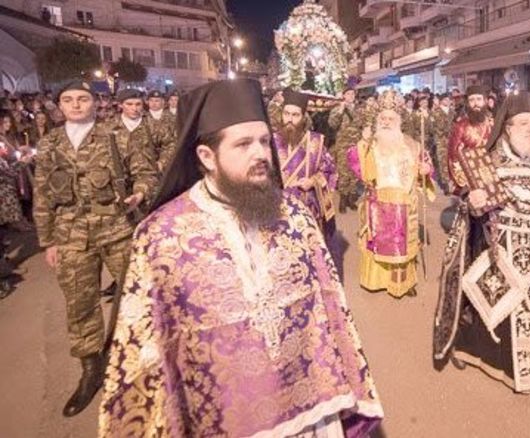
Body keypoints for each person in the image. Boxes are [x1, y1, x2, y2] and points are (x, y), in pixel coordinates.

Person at [99, 79, 383, 436]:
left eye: (264, 141)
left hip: (310, 408)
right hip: (219, 417)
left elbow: (332, 309)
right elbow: (142, 357)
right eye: (244, 144)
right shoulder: (161, 237)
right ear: (206, 156)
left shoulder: (295, 215)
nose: (262, 153)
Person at [33, 81, 157, 417]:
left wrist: (140, 193)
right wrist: (48, 241)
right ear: (58, 105)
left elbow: (146, 173)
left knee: (138, 295)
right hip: (71, 238)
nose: (75, 105)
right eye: (68, 100)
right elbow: (42, 196)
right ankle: (91, 372)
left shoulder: (116, 137)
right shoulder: (48, 144)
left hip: (117, 230)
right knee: (80, 305)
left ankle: (140, 357)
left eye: (82, 99)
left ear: (95, 103)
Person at [433, 91, 530, 393]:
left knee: (529, 308)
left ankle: (526, 364)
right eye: (523, 123)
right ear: (506, 129)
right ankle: (486, 356)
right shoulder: (489, 163)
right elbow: (470, 208)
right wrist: (472, 200)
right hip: (498, 251)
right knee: (494, 310)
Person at [349, 90, 435, 298]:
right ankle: (376, 281)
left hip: (403, 203)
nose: (386, 122)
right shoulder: (370, 144)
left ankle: (402, 284)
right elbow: (355, 163)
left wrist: (426, 170)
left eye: (391, 119)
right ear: (378, 121)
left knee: (402, 245)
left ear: (398, 121)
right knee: (377, 243)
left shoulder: (412, 145)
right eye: (383, 119)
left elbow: (426, 166)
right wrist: (363, 144)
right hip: (378, 203)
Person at [273, 89, 337, 236]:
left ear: (303, 117)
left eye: (295, 115)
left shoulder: (315, 141)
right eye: (286, 114)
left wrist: (313, 181)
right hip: (277, 209)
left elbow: (330, 171)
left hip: (307, 209)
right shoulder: (271, 141)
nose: (289, 119)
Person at [447, 85, 493, 195]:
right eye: (471, 100)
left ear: (485, 101)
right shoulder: (461, 126)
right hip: (469, 178)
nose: (475, 103)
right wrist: (464, 182)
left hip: (491, 177)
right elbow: (453, 156)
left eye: (478, 99)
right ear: (468, 103)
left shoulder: (493, 124)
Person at [328, 87, 362, 212]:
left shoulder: (358, 110)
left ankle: (350, 199)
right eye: (348, 93)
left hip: (355, 145)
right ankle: (343, 199)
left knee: (354, 173)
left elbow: (360, 123)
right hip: (342, 145)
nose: (351, 95)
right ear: (343, 95)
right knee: (343, 173)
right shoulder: (337, 109)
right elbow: (332, 124)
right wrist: (341, 111)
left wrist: (351, 110)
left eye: (352, 93)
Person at [431, 93, 456, 193]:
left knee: (451, 161)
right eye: (445, 99)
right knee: (442, 161)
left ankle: (451, 181)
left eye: (449, 99)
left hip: (452, 139)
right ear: (441, 101)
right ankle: (445, 183)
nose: (447, 101)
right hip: (441, 140)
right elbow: (434, 127)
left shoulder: (452, 112)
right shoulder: (436, 112)